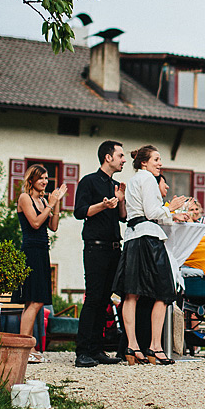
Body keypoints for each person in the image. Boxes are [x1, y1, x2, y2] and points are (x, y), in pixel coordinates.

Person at [113, 145, 188, 365]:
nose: (160, 163)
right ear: (144, 162)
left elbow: (142, 212)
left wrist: (173, 215)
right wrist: (171, 207)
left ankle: (132, 345)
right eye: (156, 159)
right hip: (147, 238)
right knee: (163, 293)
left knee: (132, 293)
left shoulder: (136, 179)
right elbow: (152, 212)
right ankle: (155, 346)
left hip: (134, 237)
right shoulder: (147, 180)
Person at [72, 140, 128, 368]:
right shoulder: (89, 181)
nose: (124, 160)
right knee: (93, 298)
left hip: (114, 247)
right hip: (95, 247)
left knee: (105, 300)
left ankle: (97, 350)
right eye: (120, 155)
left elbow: (123, 217)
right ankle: (82, 351)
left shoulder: (116, 185)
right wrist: (102, 206)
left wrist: (121, 201)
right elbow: (79, 212)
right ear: (108, 157)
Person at [15, 164, 66, 364]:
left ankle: (30, 347)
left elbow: (52, 226)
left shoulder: (43, 200)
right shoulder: (24, 198)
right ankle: (25, 346)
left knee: (34, 301)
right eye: (41, 178)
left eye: (46, 178)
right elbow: (35, 223)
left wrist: (56, 203)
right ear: (31, 181)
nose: (45, 181)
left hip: (43, 250)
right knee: (35, 300)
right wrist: (50, 205)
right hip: (30, 251)